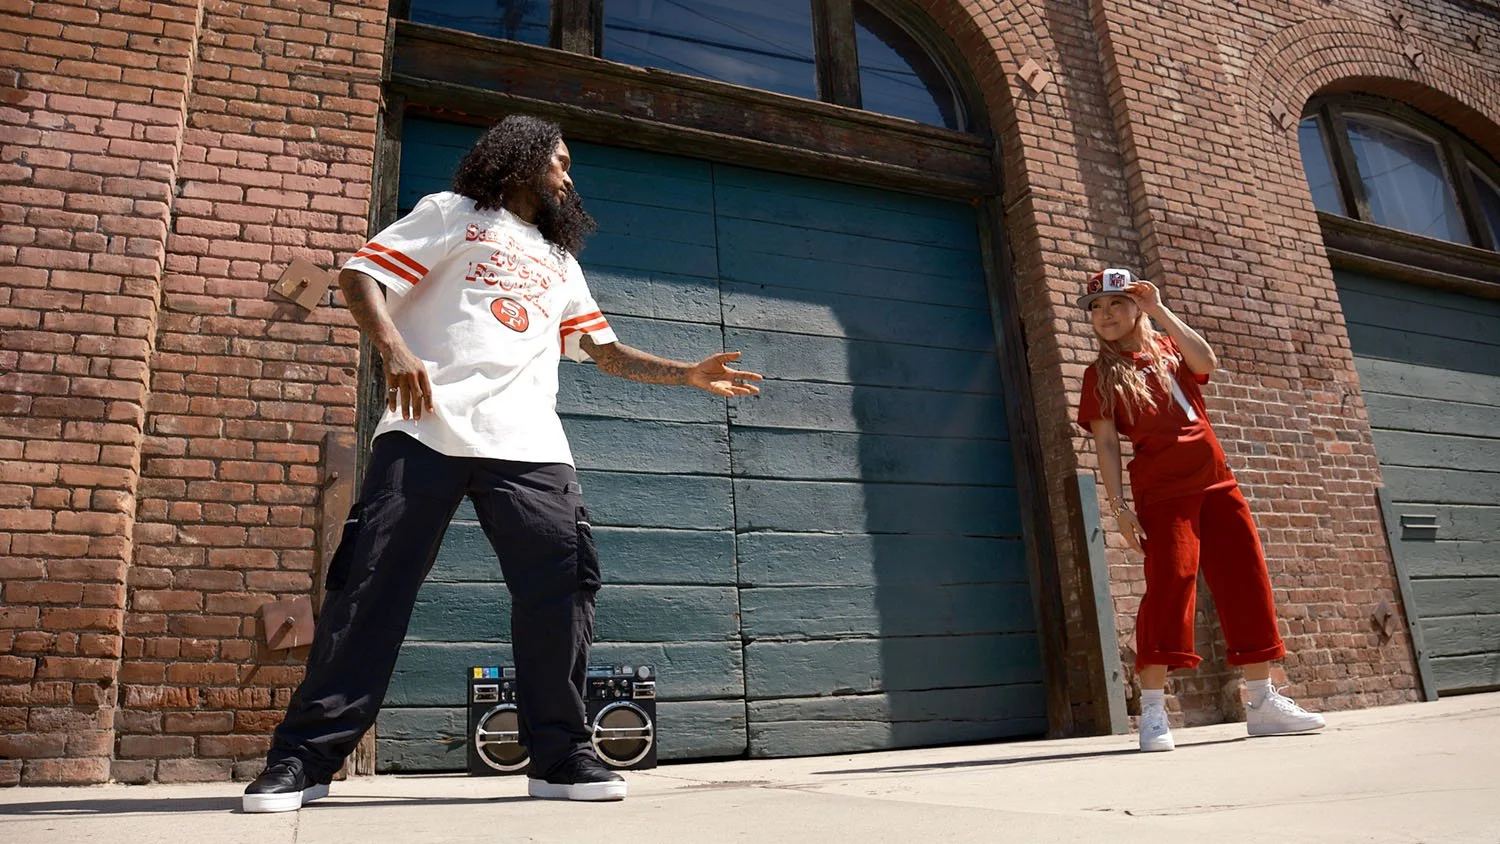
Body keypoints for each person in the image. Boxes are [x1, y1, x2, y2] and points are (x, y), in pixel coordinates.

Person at [242, 115, 763, 812]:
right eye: (560, 161)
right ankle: (301, 761)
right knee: (368, 591)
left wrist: (687, 374)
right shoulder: (452, 215)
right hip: (425, 431)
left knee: (563, 590)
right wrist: (394, 351)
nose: (568, 177)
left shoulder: (560, 261)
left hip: (530, 447)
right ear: (518, 160)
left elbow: (604, 353)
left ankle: (561, 756)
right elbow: (359, 274)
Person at [1075, 268, 1324, 752]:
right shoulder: (1098, 374)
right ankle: (1152, 711)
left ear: (1136, 307)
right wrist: (1118, 505)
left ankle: (1262, 701)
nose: (1106, 315)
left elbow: (1206, 359)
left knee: (1247, 582)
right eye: (1097, 308)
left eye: (1117, 304)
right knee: (1170, 588)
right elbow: (1106, 444)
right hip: (1163, 491)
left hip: (1218, 481)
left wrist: (1159, 309)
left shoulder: (1168, 348)